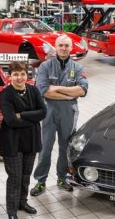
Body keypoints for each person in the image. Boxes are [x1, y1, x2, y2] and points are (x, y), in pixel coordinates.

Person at [30, 34, 89, 196]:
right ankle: (40, 181)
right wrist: (69, 95)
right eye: (60, 45)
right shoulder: (45, 66)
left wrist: (56, 88)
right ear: (55, 47)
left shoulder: (77, 68)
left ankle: (62, 178)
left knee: (65, 147)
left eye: (66, 45)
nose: (63, 48)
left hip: (68, 113)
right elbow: (44, 91)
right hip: (48, 112)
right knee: (45, 147)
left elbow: (82, 90)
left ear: (71, 48)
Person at [0, 61, 47, 219]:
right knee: (15, 177)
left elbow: (43, 112)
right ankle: (12, 211)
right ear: (9, 76)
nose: (19, 77)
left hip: (31, 140)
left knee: (26, 175)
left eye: (22, 74)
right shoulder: (5, 94)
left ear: (27, 75)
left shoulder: (33, 90)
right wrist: (33, 118)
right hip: (12, 141)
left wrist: (23, 115)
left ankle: (22, 202)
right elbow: (11, 120)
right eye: (15, 74)